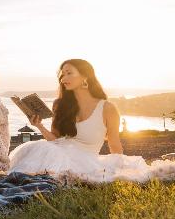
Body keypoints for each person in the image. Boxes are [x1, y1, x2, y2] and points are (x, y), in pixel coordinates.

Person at [9, 58, 148, 180]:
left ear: (85, 76)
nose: (63, 79)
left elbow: (115, 145)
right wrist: (39, 125)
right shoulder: (60, 104)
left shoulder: (107, 108)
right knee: (38, 153)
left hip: (85, 161)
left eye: (69, 73)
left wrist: (120, 171)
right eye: (63, 74)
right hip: (55, 152)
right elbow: (55, 140)